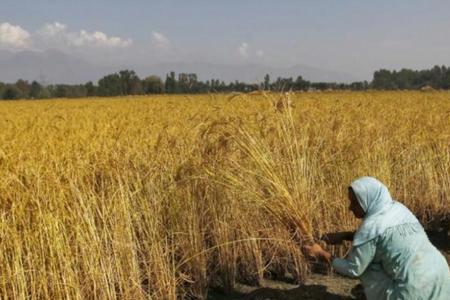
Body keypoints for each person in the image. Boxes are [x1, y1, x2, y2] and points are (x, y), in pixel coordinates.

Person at [304, 176, 450, 300]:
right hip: (441, 276)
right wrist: (345, 235)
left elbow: (353, 270)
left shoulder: (370, 228)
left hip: (415, 290)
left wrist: (321, 254)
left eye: (355, 202)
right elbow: (385, 238)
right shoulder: (398, 209)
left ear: (367, 201)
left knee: (367, 265)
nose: (350, 207)